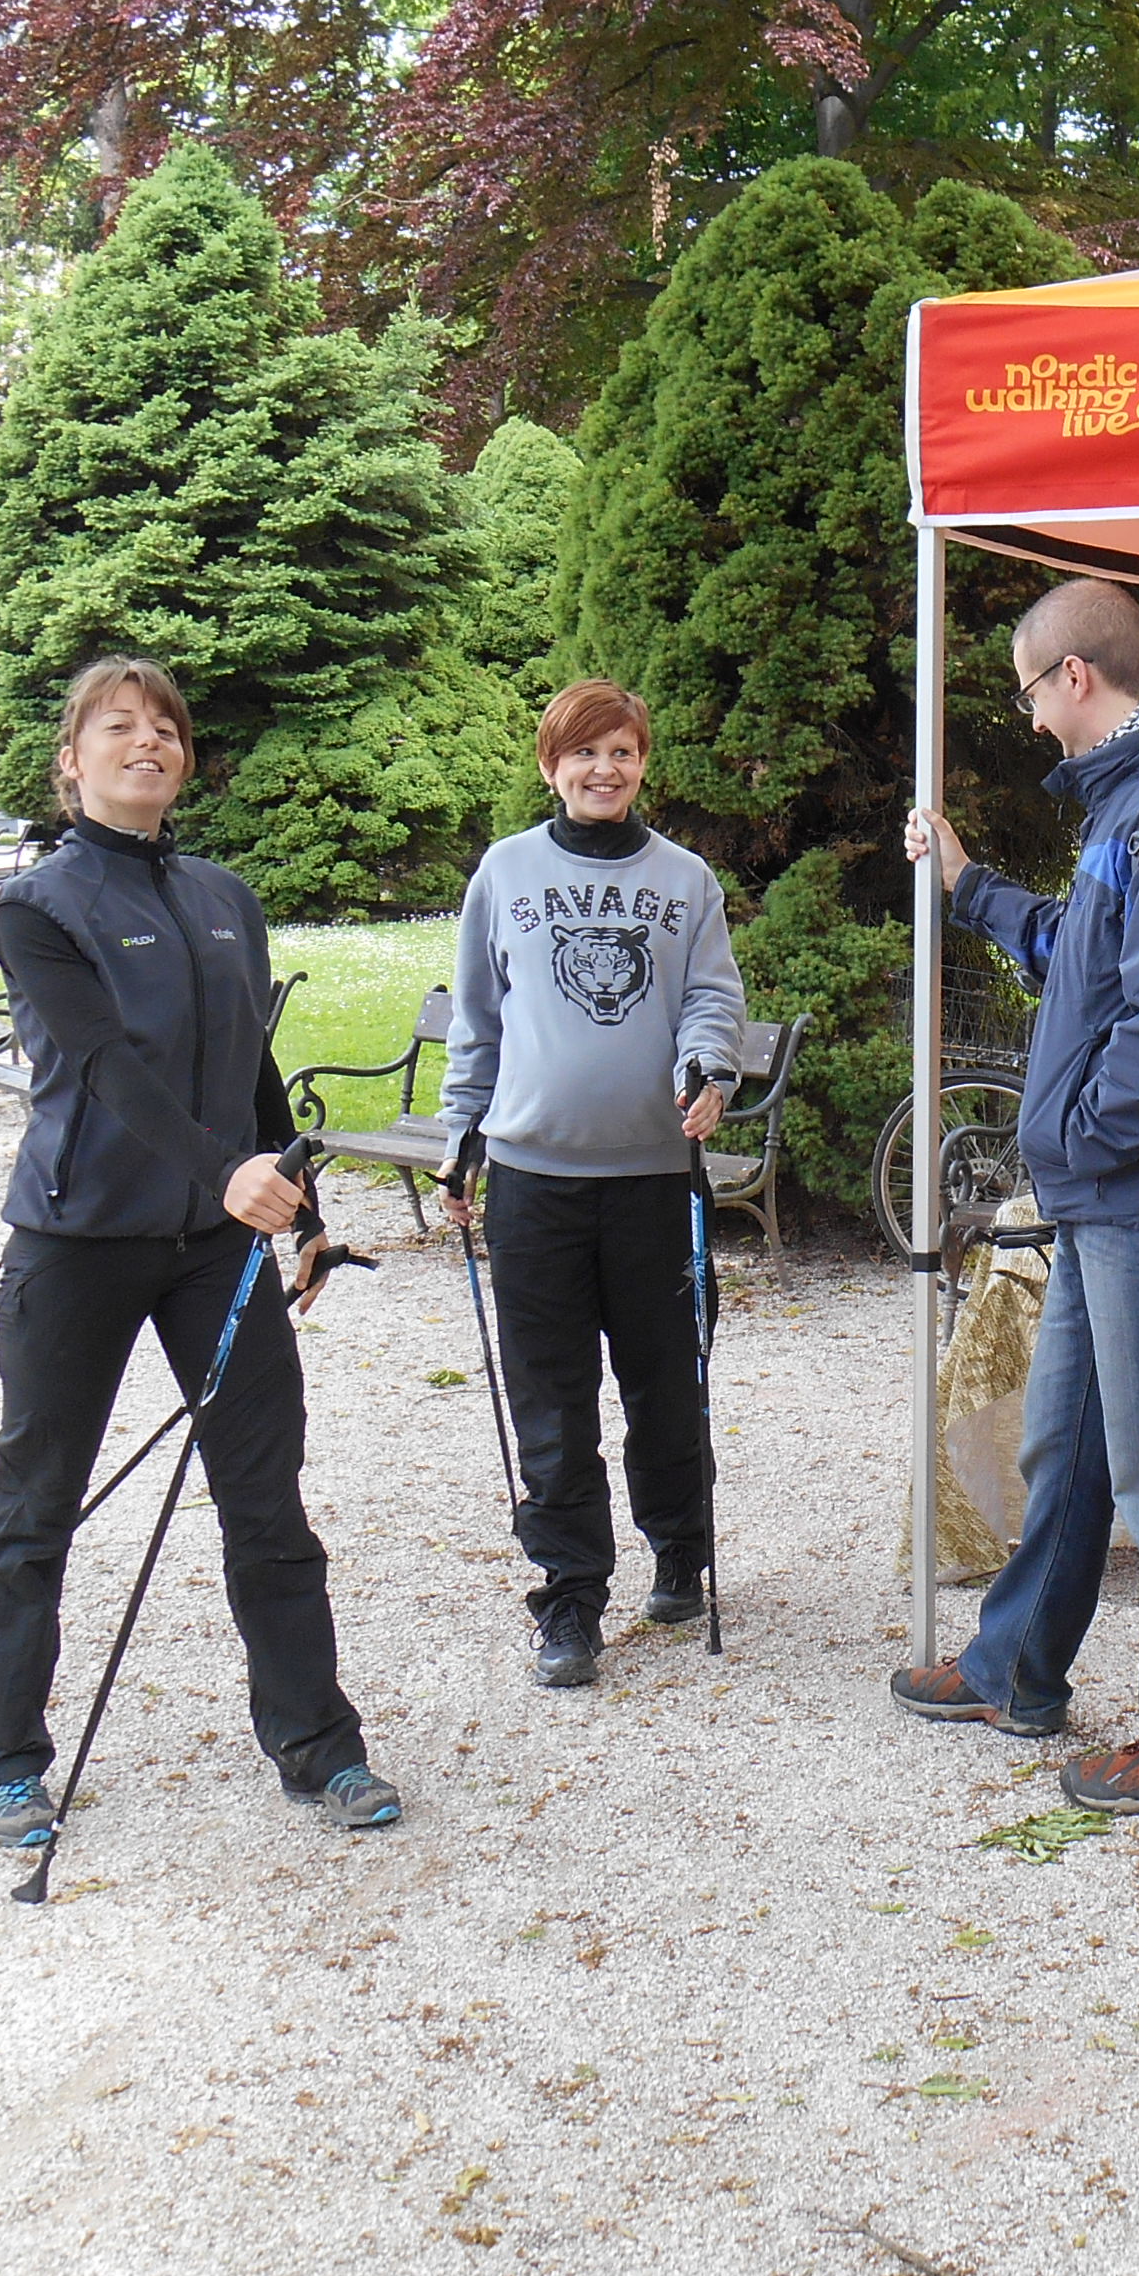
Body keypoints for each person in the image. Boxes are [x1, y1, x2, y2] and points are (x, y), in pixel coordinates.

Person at [0, 655, 405, 1852]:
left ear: (186, 761)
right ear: (72, 760)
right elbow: (102, 1065)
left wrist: (299, 1210)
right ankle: (1, 1757)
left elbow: (251, 1064)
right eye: (118, 727)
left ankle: (319, 1744)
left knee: (267, 1500)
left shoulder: (222, 897)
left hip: (216, 1249)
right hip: (79, 1240)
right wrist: (221, 1170)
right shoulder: (38, 907)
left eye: (166, 729)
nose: (146, 742)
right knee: (37, 1500)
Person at [893, 578, 1139, 1814]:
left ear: (1075, 678)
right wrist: (970, 885)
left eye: (1027, 692)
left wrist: (1080, 1140)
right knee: (1068, 1445)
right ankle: (1016, 1669)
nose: (1028, 718)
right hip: (1114, 1193)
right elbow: (1086, 957)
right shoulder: (1136, 803)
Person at [436, 677, 748, 1688]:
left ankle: (680, 1547)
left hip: (656, 1178)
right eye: (584, 753)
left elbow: (711, 997)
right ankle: (570, 1594)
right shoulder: (505, 871)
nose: (603, 770)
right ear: (550, 766)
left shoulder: (686, 880)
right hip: (534, 1182)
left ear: (643, 763)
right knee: (551, 1397)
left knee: (667, 1383)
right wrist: (460, 1136)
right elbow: (478, 1019)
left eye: (621, 751)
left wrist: (708, 1066)